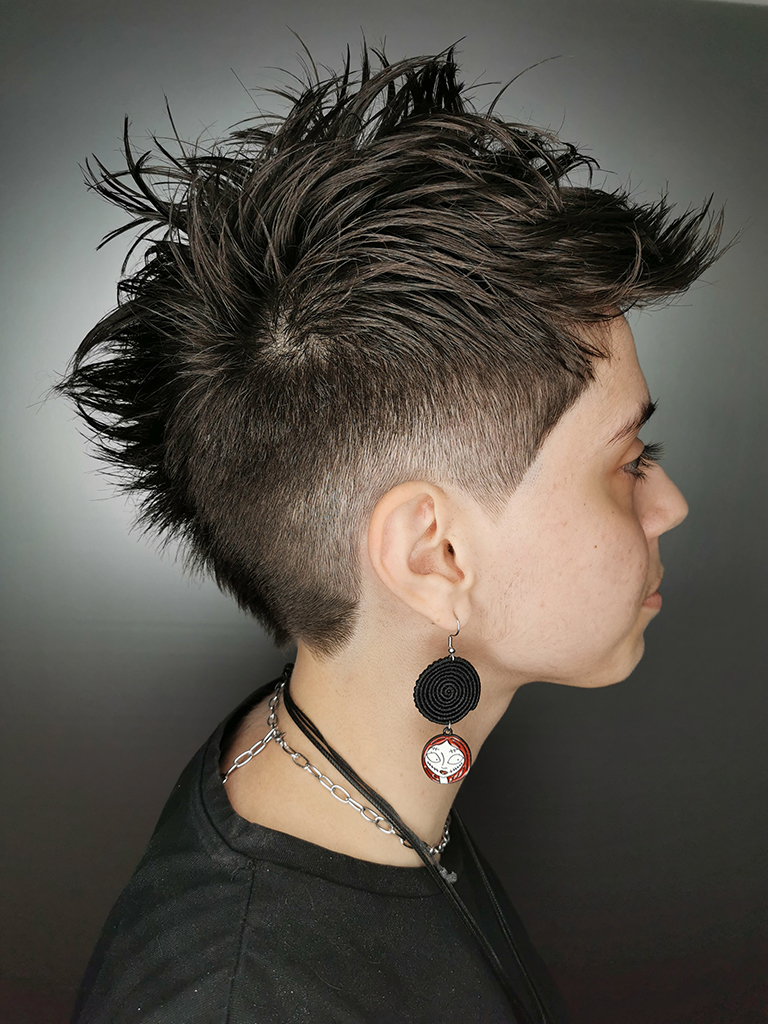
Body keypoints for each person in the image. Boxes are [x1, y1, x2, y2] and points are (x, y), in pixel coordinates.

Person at [57, 44, 727, 1024]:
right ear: (435, 554)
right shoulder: (244, 998)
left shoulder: (341, 782)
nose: (669, 504)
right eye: (629, 460)